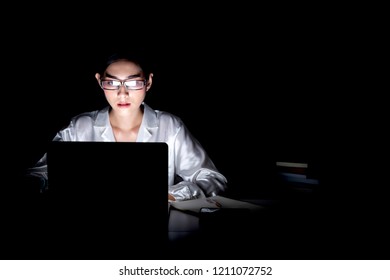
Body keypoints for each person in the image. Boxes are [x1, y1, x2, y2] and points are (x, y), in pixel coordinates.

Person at [26, 51, 228, 201]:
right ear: (99, 81)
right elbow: (40, 174)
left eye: (133, 83)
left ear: (148, 82)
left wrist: (171, 194)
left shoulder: (169, 126)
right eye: (112, 84)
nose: (122, 94)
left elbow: (212, 178)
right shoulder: (80, 127)